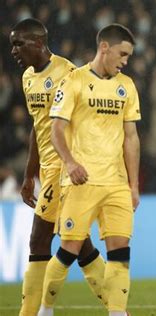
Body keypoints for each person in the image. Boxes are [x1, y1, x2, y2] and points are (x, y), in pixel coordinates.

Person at [38, 23, 141, 316]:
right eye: (122, 54)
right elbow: (56, 129)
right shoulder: (74, 81)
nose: (125, 61)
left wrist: (133, 185)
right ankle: (46, 310)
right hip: (82, 182)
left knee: (120, 253)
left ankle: (117, 313)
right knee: (69, 249)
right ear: (104, 48)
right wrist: (70, 163)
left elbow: (131, 138)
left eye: (129, 57)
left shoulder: (127, 86)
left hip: (117, 184)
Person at [9, 18, 106, 316]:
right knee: (77, 243)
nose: (13, 51)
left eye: (18, 44)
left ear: (38, 43)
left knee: (41, 239)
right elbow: (38, 128)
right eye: (11, 44)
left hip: (68, 170)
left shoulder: (68, 74)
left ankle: (32, 312)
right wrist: (29, 176)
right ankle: (117, 308)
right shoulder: (28, 77)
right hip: (48, 171)